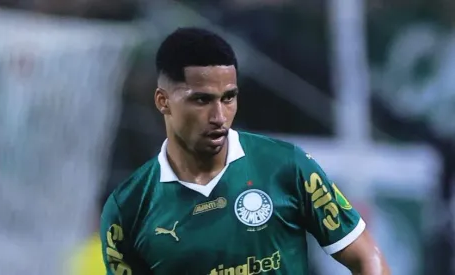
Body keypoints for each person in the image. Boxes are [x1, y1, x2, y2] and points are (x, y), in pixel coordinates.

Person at [101, 27, 390, 275]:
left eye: (229, 98)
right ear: (163, 101)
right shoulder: (128, 209)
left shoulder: (287, 166)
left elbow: (366, 257)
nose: (219, 116)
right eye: (201, 100)